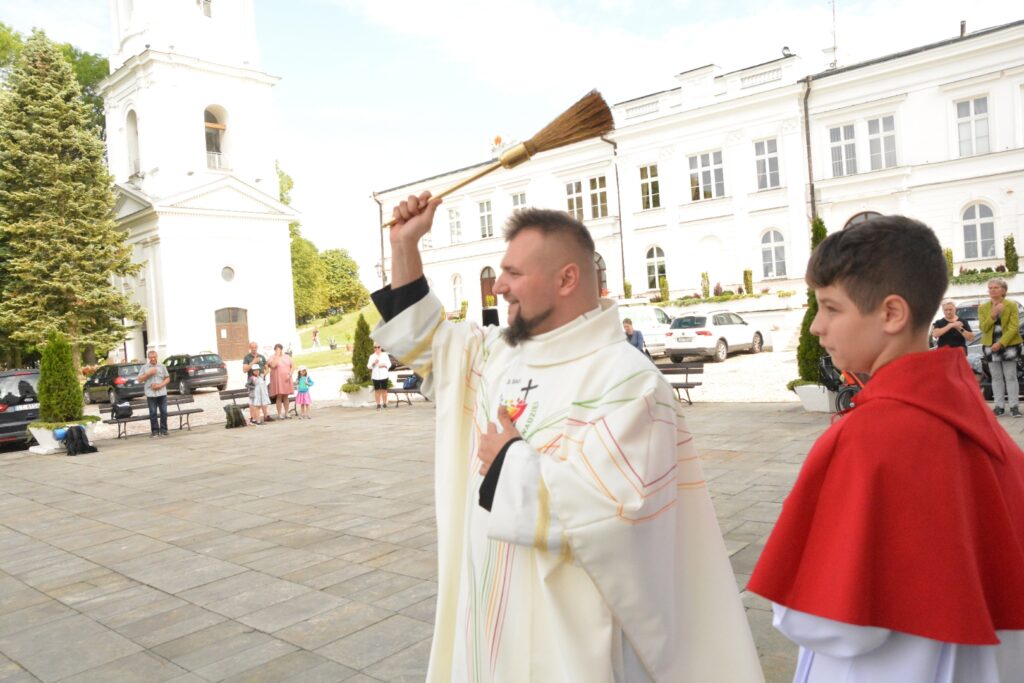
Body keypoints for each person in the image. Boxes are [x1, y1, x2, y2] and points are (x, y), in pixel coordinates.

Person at [371, 194, 762, 682]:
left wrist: (509, 463)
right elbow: (424, 340)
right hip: (487, 622)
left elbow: (621, 513)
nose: (499, 286)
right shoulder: (497, 355)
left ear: (567, 279)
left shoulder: (628, 383)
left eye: (513, 273)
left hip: (564, 640)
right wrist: (404, 245)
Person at [748, 215, 1024, 683]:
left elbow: (829, 622)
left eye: (830, 308)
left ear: (892, 314)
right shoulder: (984, 426)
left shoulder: (867, 436)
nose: (817, 327)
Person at [979, 278, 1022, 417]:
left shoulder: (1011, 305)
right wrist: (992, 315)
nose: (992, 290)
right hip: (990, 346)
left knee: (1010, 376)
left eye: (996, 287)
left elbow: (1014, 328)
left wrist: (1001, 343)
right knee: (996, 377)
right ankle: (999, 406)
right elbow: (983, 328)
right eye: (990, 288)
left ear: (1003, 290)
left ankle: (1014, 406)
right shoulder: (983, 307)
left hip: (1009, 345)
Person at [137, 349, 170, 438]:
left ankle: (164, 430)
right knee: (153, 413)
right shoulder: (144, 367)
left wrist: (160, 385)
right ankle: (155, 431)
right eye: (151, 357)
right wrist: (148, 374)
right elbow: (139, 380)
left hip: (162, 393)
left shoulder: (162, 366)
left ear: (156, 357)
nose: (152, 359)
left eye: (154, 357)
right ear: (148, 358)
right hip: (151, 394)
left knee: (164, 412)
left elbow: (167, 378)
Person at [242, 342, 269, 423]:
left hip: (261, 381)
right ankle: (253, 418)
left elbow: (267, 368)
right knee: (253, 400)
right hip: (252, 383)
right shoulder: (247, 357)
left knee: (263, 398)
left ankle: (266, 416)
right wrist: (253, 362)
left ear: (257, 347)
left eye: (255, 347)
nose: (254, 349)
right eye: (252, 347)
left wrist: (263, 374)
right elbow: (244, 370)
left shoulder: (262, 356)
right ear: (250, 348)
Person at [267, 343, 294, 419]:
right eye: (276, 350)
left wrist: (290, 374)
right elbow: (273, 365)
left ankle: (287, 413)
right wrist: (277, 356)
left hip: (286, 379)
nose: (278, 351)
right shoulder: (271, 357)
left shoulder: (287, 357)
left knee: (286, 396)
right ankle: (279, 414)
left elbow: (293, 366)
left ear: (282, 349)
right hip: (277, 380)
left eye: (279, 349)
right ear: (274, 350)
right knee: (279, 396)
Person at [368, 344, 392, 410]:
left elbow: (389, 364)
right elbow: (369, 366)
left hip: (384, 375)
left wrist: (384, 365)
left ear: (381, 348)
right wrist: (374, 363)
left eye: (378, 347)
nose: (377, 348)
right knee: (377, 390)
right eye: (375, 347)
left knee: (384, 390)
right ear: (374, 348)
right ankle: (378, 404)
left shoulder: (385, 355)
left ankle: (384, 403)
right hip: (375, 376)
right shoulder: (372, 356)